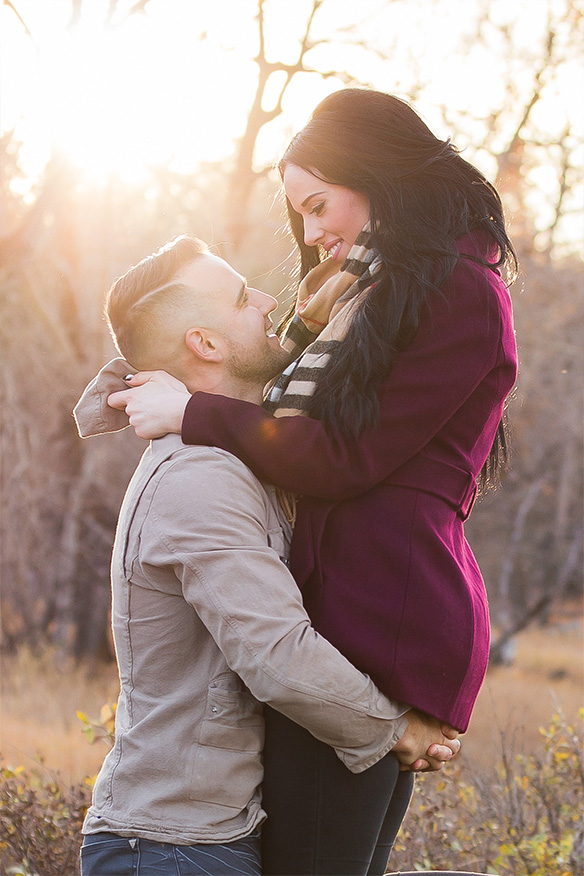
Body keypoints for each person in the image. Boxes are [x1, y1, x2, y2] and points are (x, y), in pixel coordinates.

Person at [108, 88, 518, 875]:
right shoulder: (380, 295)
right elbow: (268, 396)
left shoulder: (460, 291)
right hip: (358, 610)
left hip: (374, 620)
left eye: (319, 203)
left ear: (378, 174)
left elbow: (338, 458)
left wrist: (193, 409)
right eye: (299, 212)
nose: (310, 232)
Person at [74, 234, 459, 876]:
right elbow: (275, 653)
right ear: (206, 344)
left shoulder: (234, 454)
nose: (267, 299)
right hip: (174, 851)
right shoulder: (200, 478)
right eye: (241, 295)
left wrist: (326, 312)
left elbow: (284, 401)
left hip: (204, 838)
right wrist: (396, 730)